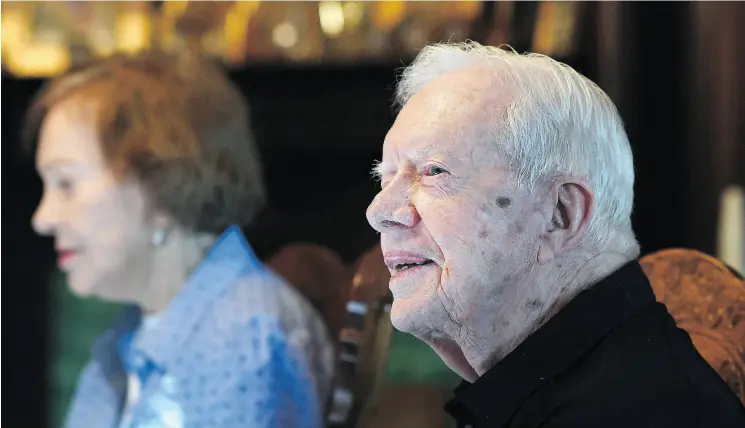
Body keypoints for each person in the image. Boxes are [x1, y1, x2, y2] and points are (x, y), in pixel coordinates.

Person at [366, 41, 745, 428]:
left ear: (560, 214)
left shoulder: (639, 413)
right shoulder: (558, 390)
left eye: (433, 172)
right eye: (385, 177)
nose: (378, 212)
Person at [27, 51, 334, 428]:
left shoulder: (241, 339)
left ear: (158, 185)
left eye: (66, 183)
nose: (42, 219)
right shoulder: (131, 331)